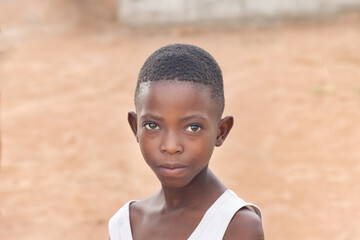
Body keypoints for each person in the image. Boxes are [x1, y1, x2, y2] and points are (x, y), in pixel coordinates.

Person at [109, 44, 264, 240]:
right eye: (152, 125)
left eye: (193, 128)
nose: (171, 146)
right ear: (135, 127)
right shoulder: (125, 224)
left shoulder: (236, 227)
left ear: (221, 131)